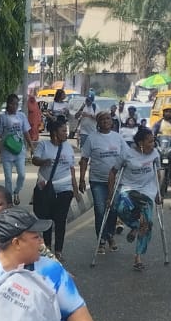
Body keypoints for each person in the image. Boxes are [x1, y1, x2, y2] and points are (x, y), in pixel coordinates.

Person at [110, 126, 161, 271]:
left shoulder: (155, 154)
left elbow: (158, 173)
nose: (153, 144)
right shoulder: (127, 154)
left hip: (147, 191)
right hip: (128, 189)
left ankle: (138, 257)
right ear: (140, 143)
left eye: (153, 141)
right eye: (150, 142)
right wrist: (110, 194)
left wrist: (158, 193)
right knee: (121, 209)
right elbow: (113, 172)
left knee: (148, 222)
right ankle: (136, 225)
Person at [31, 116, 78, 258]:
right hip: (46, 188)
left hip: (65, 188)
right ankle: (47, 247)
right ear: (55, 133)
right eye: (63, 131)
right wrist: (43, 161)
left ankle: (58, 251)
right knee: (47, 219)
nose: (66, 133)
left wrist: (75, 189)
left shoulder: (68, 147)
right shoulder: (43, 145)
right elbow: (35, 160)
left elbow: (71, 168)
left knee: (60, 219)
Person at [79, 109, 123, 252]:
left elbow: (127, 155)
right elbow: (84, 159)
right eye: (102, 119)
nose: (105, 121)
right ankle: (101, 240)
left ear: (112, 121)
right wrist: (81, 179)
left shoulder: (118, 137)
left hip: (115, 181)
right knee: (100, 210)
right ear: (98, 123)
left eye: (108, 119)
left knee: (113, 209)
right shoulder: (92, 138)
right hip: (97, 180)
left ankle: (110, 235)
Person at [0, 92, 28, 206]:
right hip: (7, 150)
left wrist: (31, 146)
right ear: (8, 104)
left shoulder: (21, 116)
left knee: (22, 174)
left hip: (19, 149)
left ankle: (16, 191)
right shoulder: (2, 117)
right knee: (8, 177)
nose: (15, 106)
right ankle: (9, 200)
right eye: (12, 104)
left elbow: (26, 132)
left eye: (17, 104)